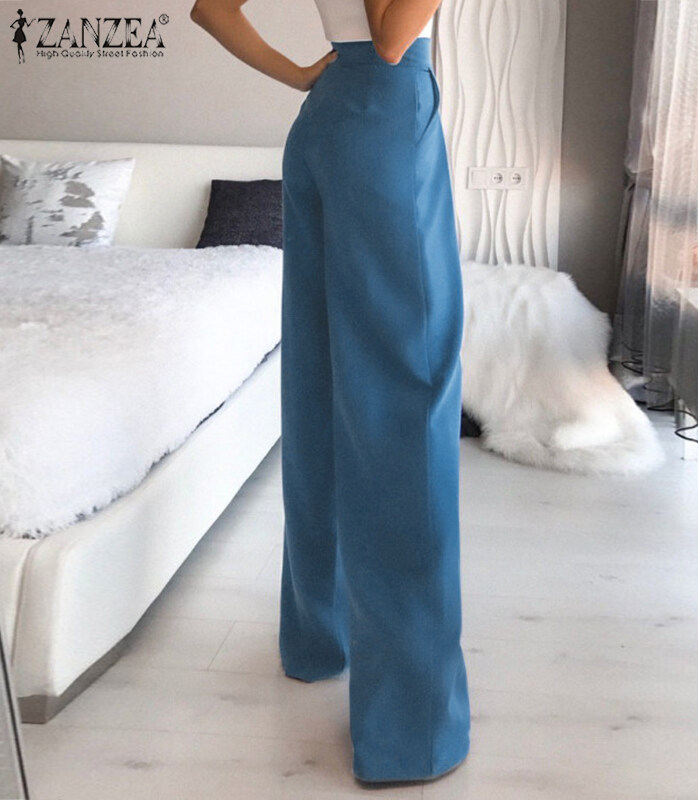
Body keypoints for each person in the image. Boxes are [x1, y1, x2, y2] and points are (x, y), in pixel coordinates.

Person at [190, 0, 470, 784]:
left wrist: (301, 74)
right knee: (405, 397)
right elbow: (392, 38)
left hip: (326, 121)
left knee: (320, 388)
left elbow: (212, 8)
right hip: (384, 116)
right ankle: (410, 731)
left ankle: (320, 636)